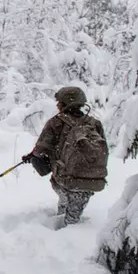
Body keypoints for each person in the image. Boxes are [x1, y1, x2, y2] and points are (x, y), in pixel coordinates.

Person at [24, 86, 108, 225]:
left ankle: (63, 227)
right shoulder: (94, 123)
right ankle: (68, 222)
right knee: (74, 210)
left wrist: (32, 156)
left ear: (64, 103)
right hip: (94, 179)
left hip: (66, 179)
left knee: (64, 198)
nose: (57, 104)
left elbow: (41, 149)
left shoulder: (55, 122)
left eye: (59, 102)